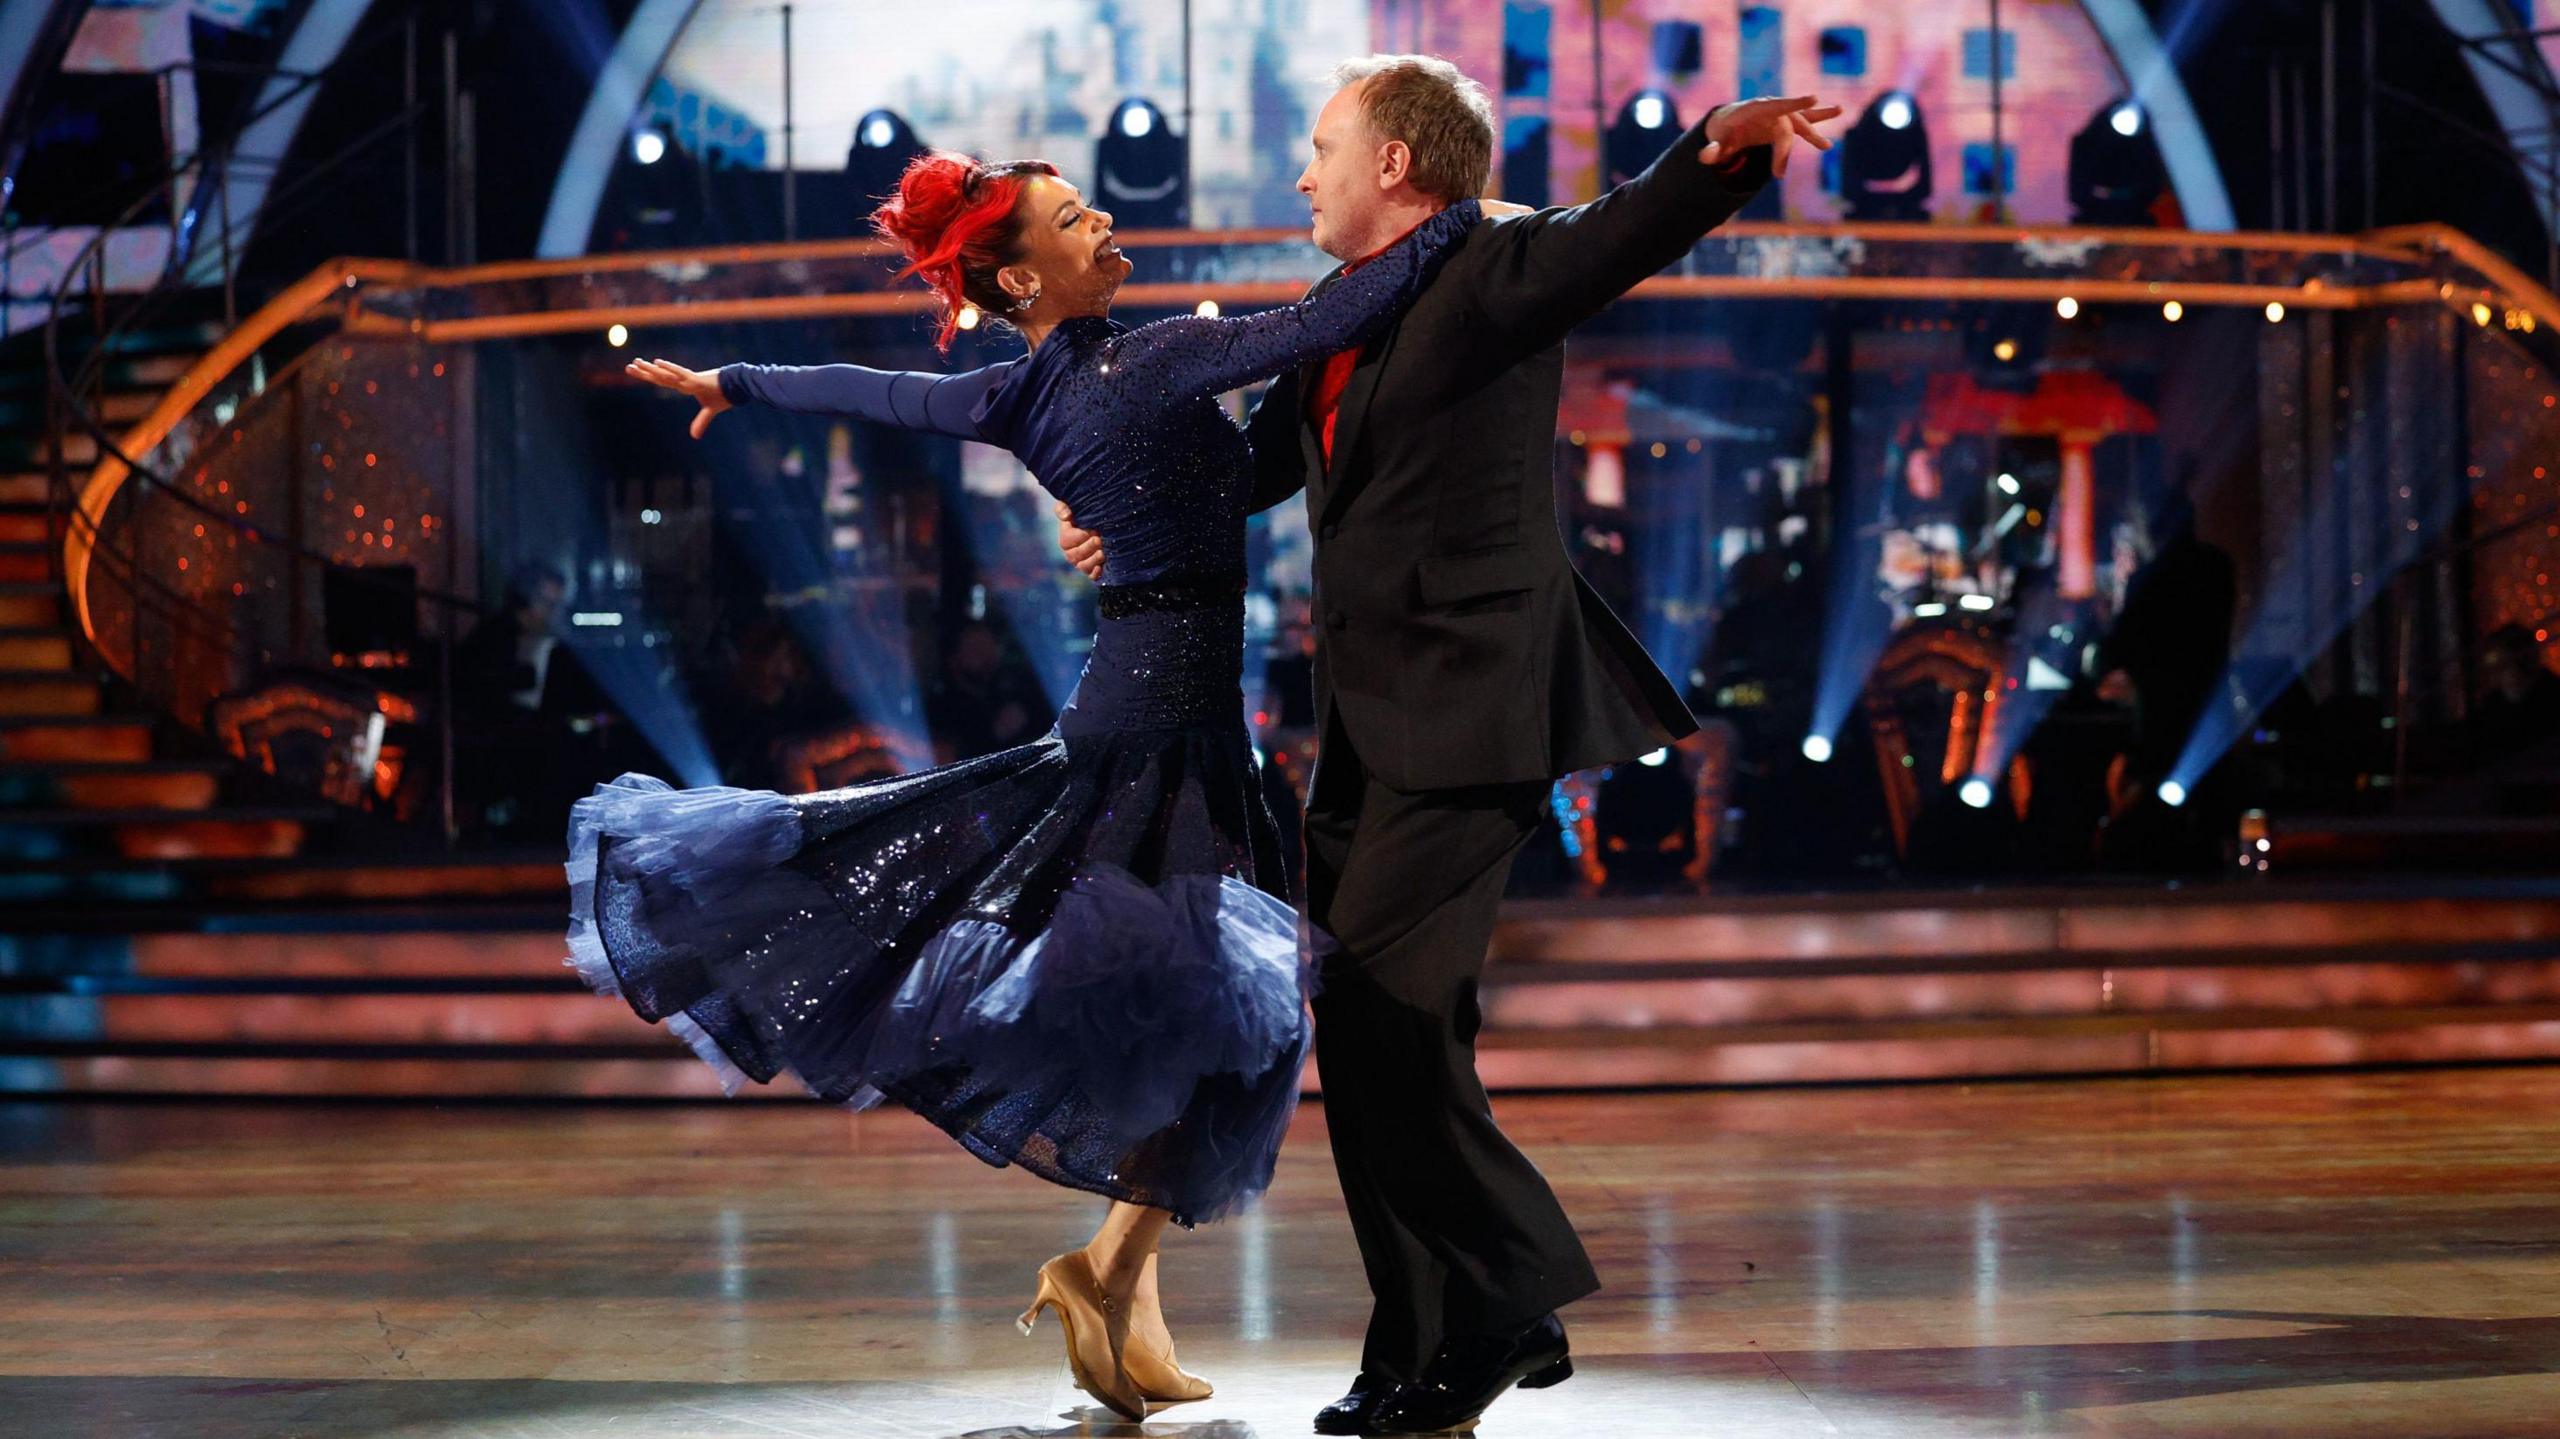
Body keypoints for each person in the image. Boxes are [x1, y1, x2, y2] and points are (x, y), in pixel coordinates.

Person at [578, 149, 1485, 1421]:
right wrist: (1460, 222)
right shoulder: (1157, 358)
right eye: (1074, 217)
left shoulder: (1020, 392)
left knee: (1206, 1027)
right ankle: (1109, 1276)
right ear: (1019, 273)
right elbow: (1332, 317)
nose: (1105, 217)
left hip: (1156, 712)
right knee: (1214, 1021)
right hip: (1157, 729)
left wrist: (737, 380)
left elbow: (878, 393)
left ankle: (1115, 1278)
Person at [1059, 56, 1835, 1435]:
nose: (1302, 172)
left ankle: (1508, 1297)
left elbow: (1621, 236)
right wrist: (1137, 518)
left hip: (1475, 712)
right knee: (1371, 1034)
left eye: (1319, 147)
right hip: (1367, 724)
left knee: (1376, 1013)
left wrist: (1718, 148)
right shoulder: (1330, 322)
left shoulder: (1494, 265)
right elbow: (1254, 478)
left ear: (1396, 167)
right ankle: (1419, 1347)